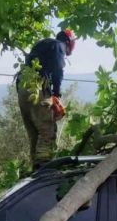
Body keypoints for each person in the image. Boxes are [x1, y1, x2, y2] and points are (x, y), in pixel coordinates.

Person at [17, 28, 76, 168]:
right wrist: (56, 95)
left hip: (22, 87)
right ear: (68, 42)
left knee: (34, 133)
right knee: (47, 130)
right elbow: (58, 72)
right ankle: (43, 169)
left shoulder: (43, 44)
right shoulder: (58, 46)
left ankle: (34, 170)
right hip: (37, 87)